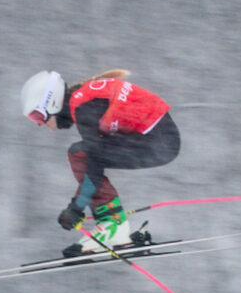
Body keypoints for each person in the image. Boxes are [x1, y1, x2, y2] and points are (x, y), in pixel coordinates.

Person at [20, 69, 181, 257]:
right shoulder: (84, 100)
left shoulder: (85, 107)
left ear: (51, 101)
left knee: (81, 154)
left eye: (37, 116)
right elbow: (95, 162)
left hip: (159, 143)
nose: (39, 123)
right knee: (81, 153)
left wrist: (77, 207)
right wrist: (77, 206)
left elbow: (94, 167)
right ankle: (112, 223)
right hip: (160, 139)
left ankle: (113, 225)